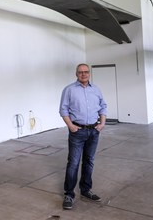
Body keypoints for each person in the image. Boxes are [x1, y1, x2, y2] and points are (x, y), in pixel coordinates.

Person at [59, 63, 107, 210]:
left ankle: (85, 190)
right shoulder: (69, 90)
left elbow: (103, 106)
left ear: (89, 73)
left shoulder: (96, 89)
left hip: (93, 131)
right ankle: (69, 194)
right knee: (73, 163)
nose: (83, 74)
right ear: (76, 74)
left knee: (89, 161)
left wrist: (102, 124)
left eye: (86, 72)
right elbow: (63, 110)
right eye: (80, 72)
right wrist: (71, 126)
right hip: (77, 131)